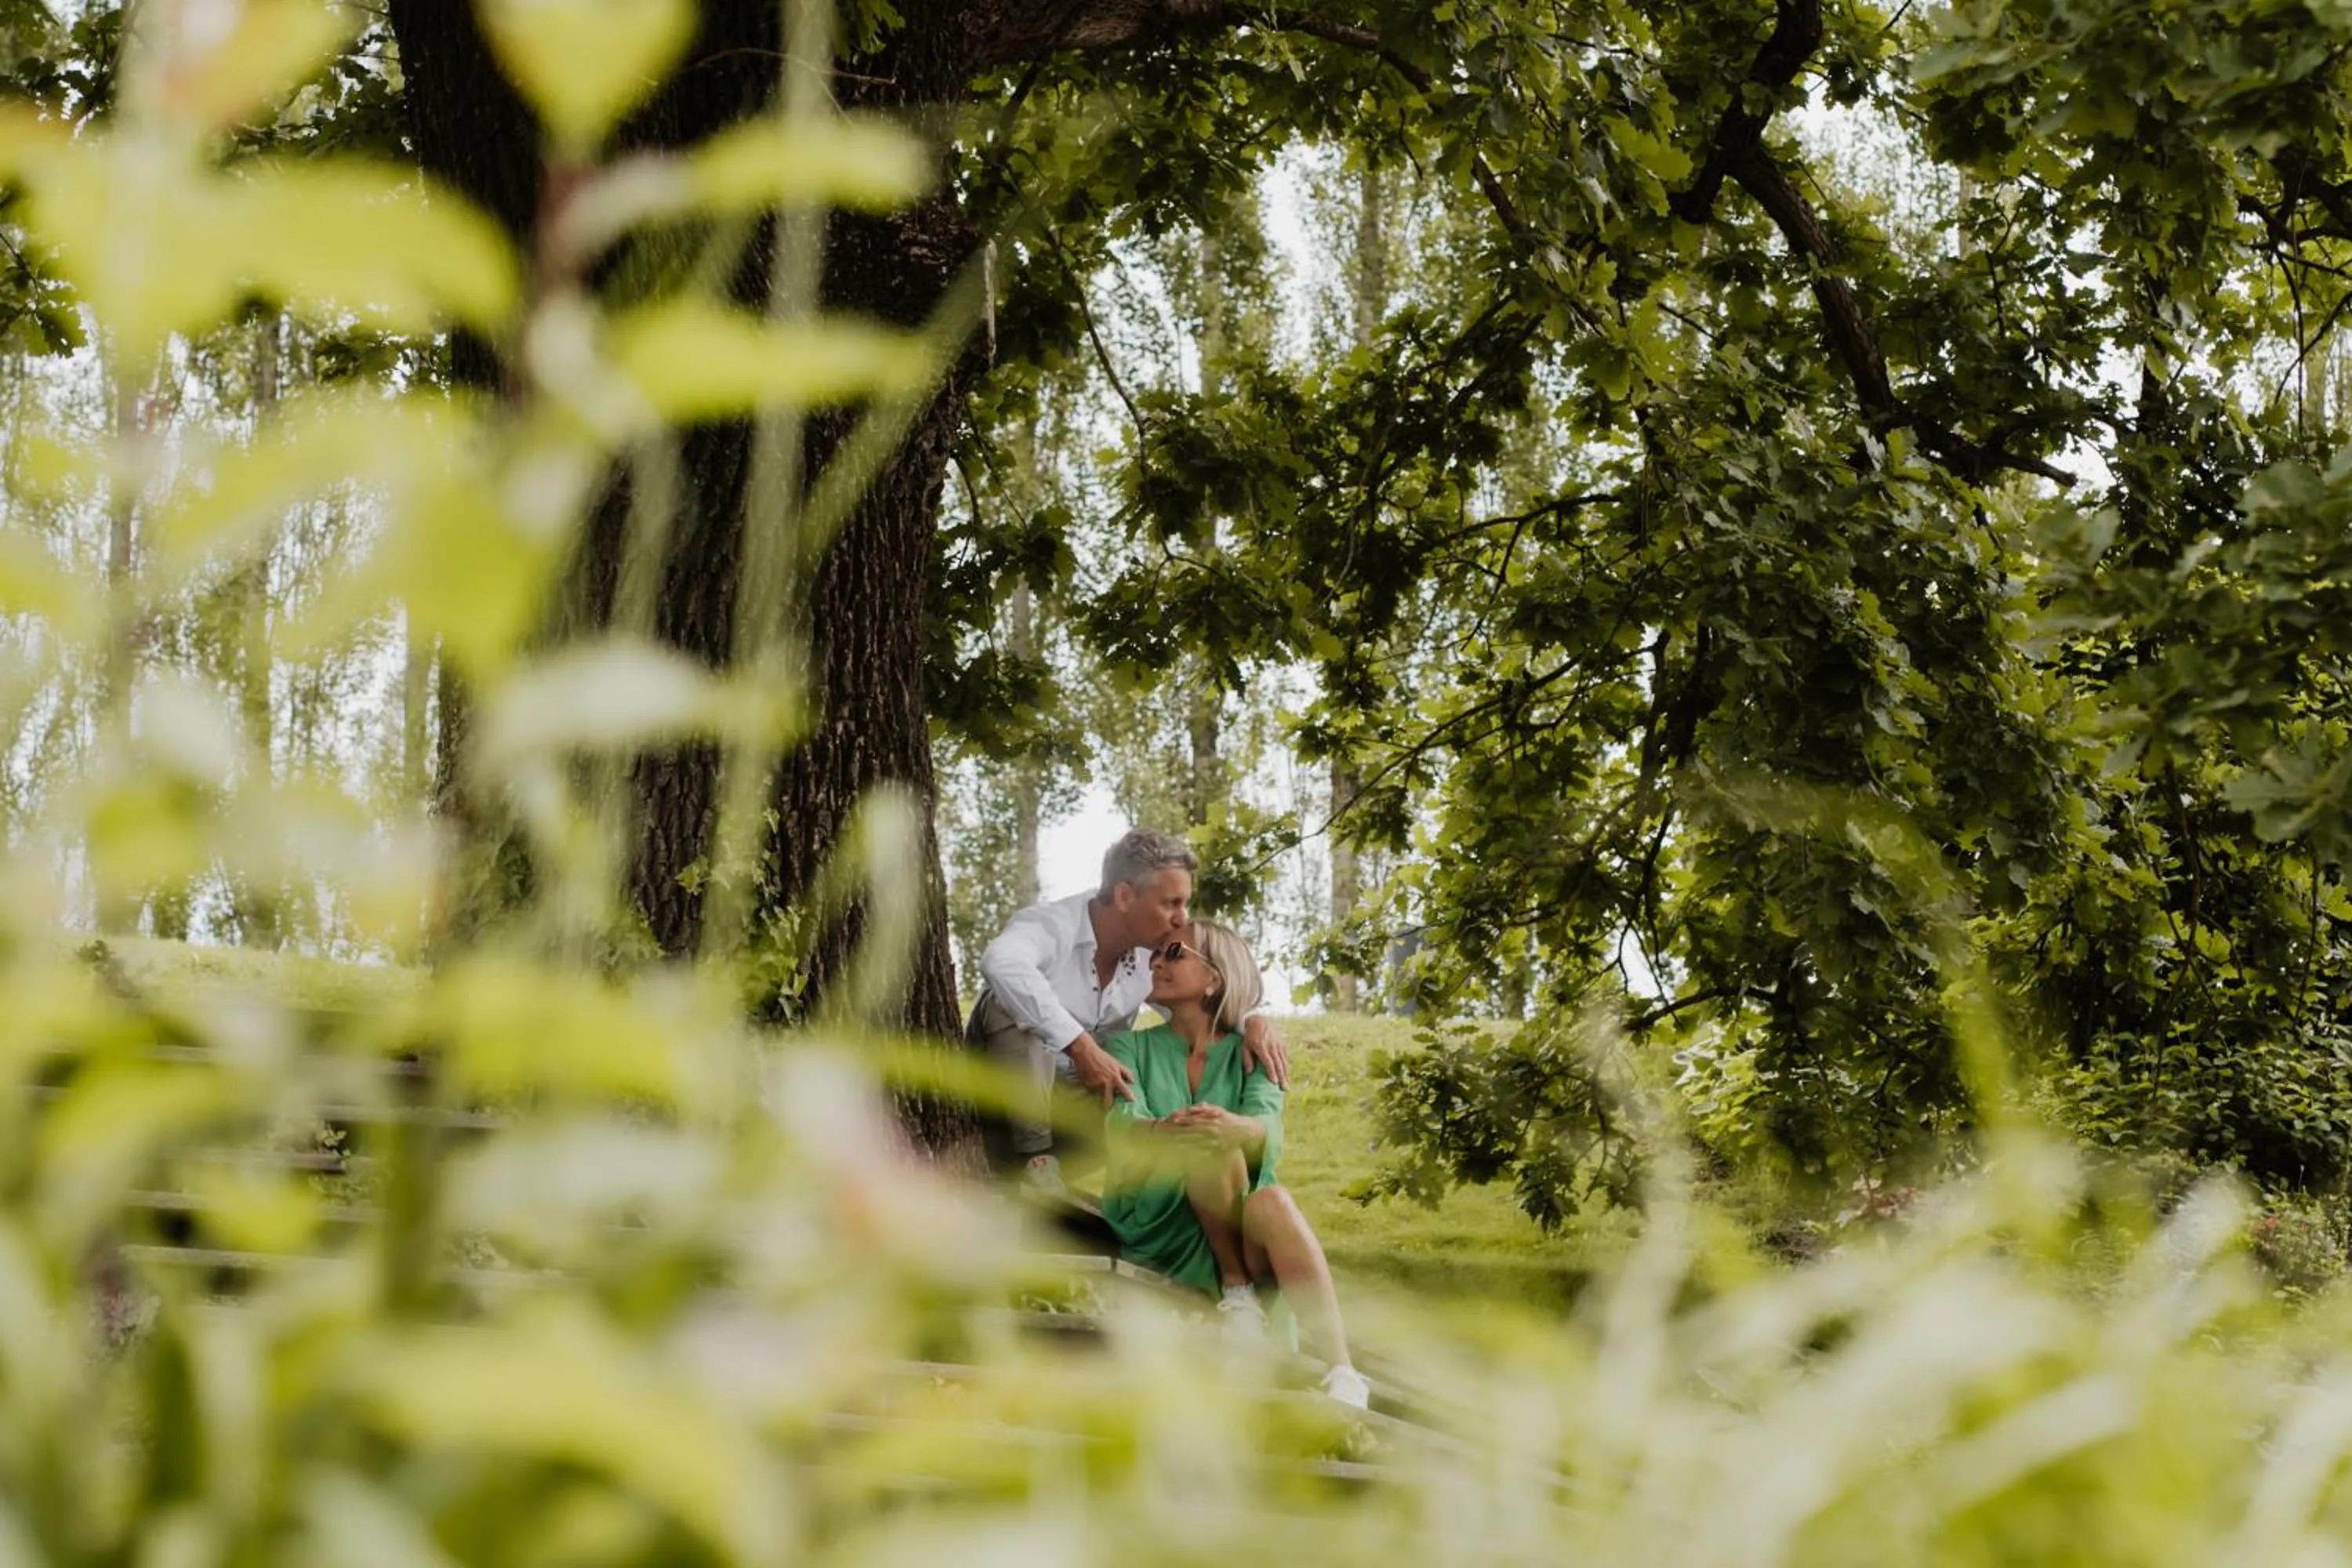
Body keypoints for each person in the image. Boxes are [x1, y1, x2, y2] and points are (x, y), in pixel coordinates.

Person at [1101, 918, 1371, 1410]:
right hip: (1160, 1215)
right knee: (1207, 1139)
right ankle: (1238, 1291)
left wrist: (1233, 1125)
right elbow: (1121, 1125)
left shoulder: (1254, 1049)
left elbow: (1268, 1127)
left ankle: (1343, 1369)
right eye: (1155, 953)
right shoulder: (1129, 1046)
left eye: (1175, 952)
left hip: (1238, 1211)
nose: (1157, 961)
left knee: (1272, 1199)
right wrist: (1166, 1130)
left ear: (1215, 978)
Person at [970, 828, 1289, 1189]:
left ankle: (1184, 1191)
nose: (1182, 919)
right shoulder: (1052, 925)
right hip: (998, 1097)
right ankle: (1034, 1162)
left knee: (1140, 1075)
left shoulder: (1151, 959)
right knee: (1007, 1001)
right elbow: (1001, 962)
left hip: (1074, 1113)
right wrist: (1080, 1046)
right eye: (1171, 903)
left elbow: (1200, 1001)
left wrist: (1253, 1021)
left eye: (1184, 905)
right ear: (1124, 895)